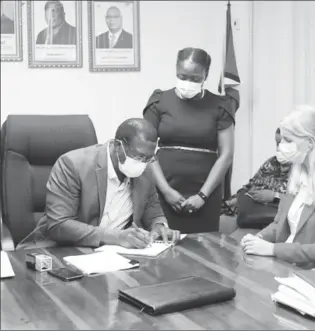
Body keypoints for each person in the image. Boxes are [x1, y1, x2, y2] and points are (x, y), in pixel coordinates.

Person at [18, 118, 180, 249]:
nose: (143, 163)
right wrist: (115, 237)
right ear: (118, 146)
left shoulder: (145, 169)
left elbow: (151, 206)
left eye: (149, 158)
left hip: (113, 255)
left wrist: (158, 225)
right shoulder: (72, 164)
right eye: (138, 156)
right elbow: (59, 225)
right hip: (60, 251)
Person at [241, 108, 315, 267]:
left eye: (288, 140)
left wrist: (272, 249)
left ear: (311, 142)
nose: (281, 146)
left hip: (313, 271)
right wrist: (258, 239)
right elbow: (278, 224)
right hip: (284, 264)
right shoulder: (298, 172)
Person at [143, 47, 239, 234]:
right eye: (183, 76)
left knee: (203, 251)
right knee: (163, 248)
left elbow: (226, 155)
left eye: (195, 78)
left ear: (206, 75)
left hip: (206, 191)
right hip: (164, 188)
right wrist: (167, 191)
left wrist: (202, 195)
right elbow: (145, 151)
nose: (188, 82)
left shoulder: (221, 105)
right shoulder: (159, 101)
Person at [224, 128, 291, 229]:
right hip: (252, 213)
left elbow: (305, 202)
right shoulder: (273, 162)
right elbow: (251, 185)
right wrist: (235, 200)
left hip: (277, 219)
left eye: (284, 144)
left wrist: (275, 196)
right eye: (277, 144)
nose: (279, 149)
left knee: (238, 239)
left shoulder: (303, 169)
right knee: (222, 224)